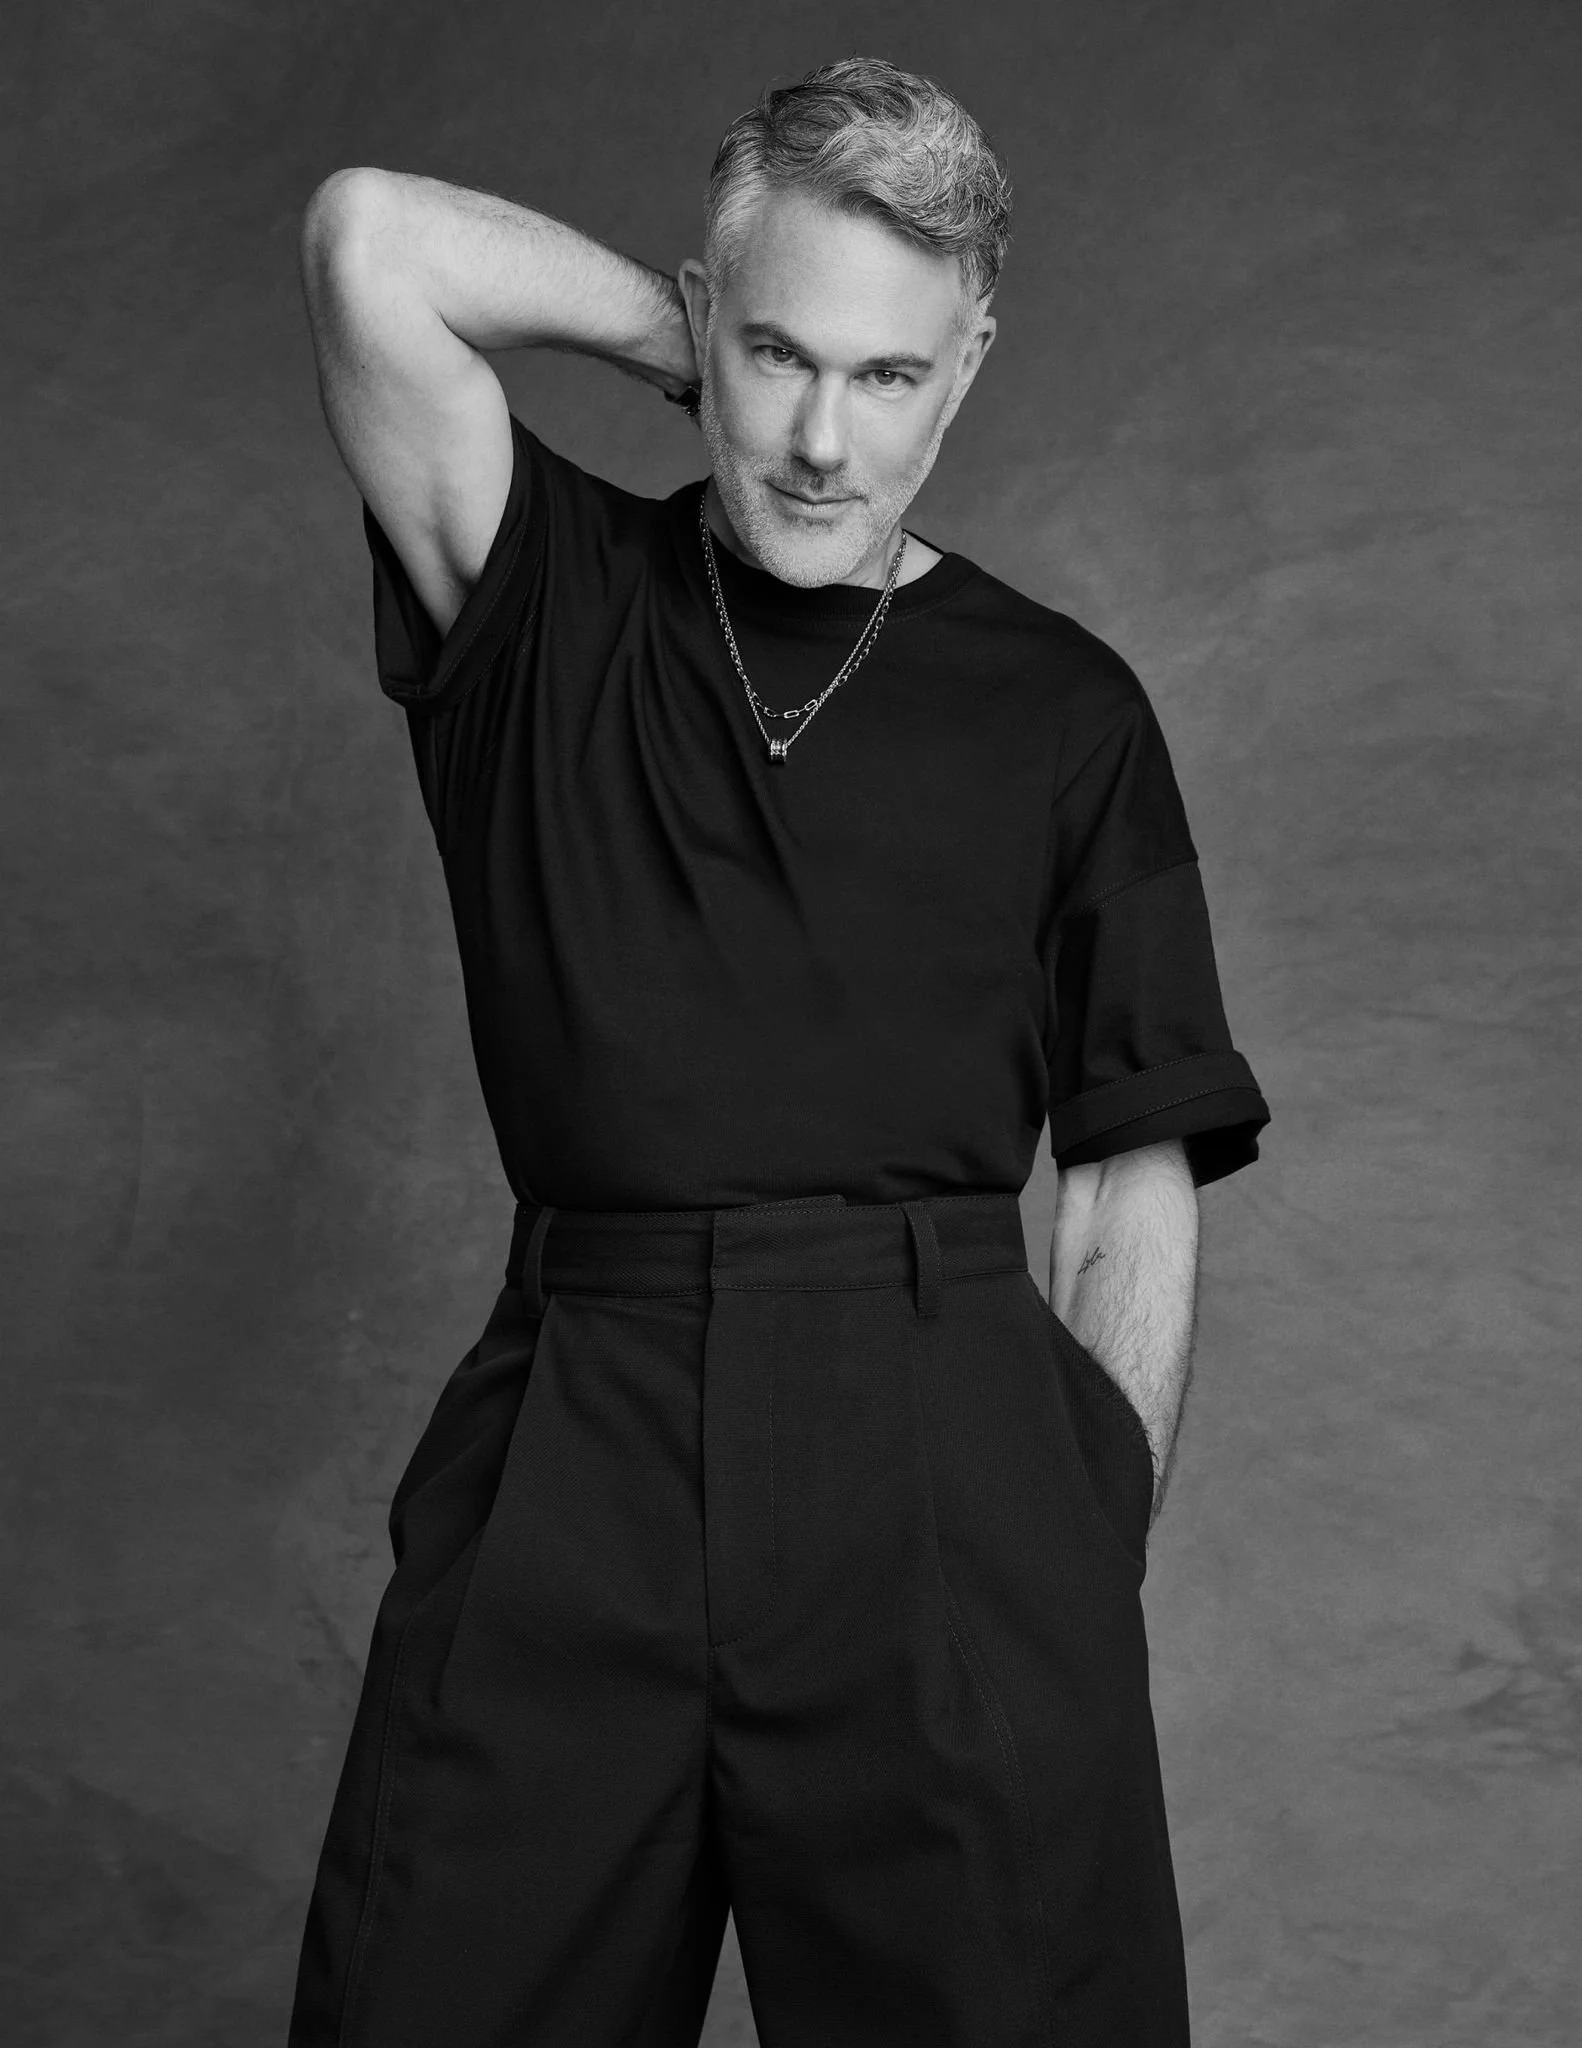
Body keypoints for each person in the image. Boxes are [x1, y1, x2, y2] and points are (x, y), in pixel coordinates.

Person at [288, 55, 1269, 2048]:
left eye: (888, 378)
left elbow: (1127, 1163)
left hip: (946, 1448)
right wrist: (690, 335)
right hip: (581, 1424)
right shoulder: (546, 597)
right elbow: (368, 240)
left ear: (968, 364)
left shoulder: (1062, 715)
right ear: (704, 326)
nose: (821, 441)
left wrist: (1078, 1542)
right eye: (774, 359)